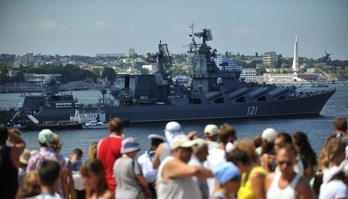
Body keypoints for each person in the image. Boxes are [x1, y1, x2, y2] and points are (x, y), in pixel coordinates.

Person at [156, 135, 212, 199]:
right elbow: (196, 171)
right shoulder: (170, 162)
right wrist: (219, 173)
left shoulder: (183, 165)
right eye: (188, 149)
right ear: (176, 149)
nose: (191, 152)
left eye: (191, 149)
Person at [26, 129, 68, 198]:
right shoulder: (60, 158)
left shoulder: (33, 159)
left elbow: (28, 179)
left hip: (38, 194)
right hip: (57, 194)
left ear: (39, 141)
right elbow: (64, 181)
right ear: (51, 141)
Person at [205, 123, 237, 195]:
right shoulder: (232, 155)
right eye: (234, 138)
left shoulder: (209, 153)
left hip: (210, 193)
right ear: (230, 138)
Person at [97, 117, 124, 192]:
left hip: (105, 185)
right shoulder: (124, 143)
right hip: (120, 185)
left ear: (109, 129)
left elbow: (98, 164)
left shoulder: (101, 143)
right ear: (122, 129)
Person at [0, 124, 26, 199]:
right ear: (6, 137)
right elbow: (21, 143)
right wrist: (7, 131)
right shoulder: (13, 152)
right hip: (12, 195)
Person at [137, 134, 165, 198]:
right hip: (159, 186)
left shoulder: (141, 158)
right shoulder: (164, 157)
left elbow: (138, 174)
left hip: (146, 186)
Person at [50, 133, 75, 199]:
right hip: (60, 193)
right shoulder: (65, 161)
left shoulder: (41, 159)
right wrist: (70, 196)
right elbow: (66, 182)